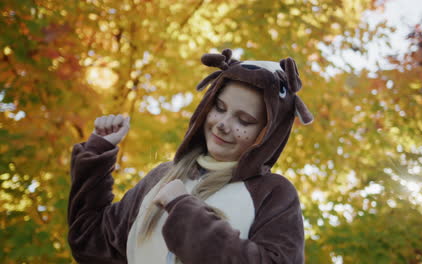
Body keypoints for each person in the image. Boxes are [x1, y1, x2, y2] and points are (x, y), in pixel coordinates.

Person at [67, 48, 314, 264]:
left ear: (266, 134)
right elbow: (89, 242)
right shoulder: (162, 177)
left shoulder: (272, 194)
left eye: (244, 120)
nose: (223, 125)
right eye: (219, 108)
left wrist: (184, 212)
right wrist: (98, 153)